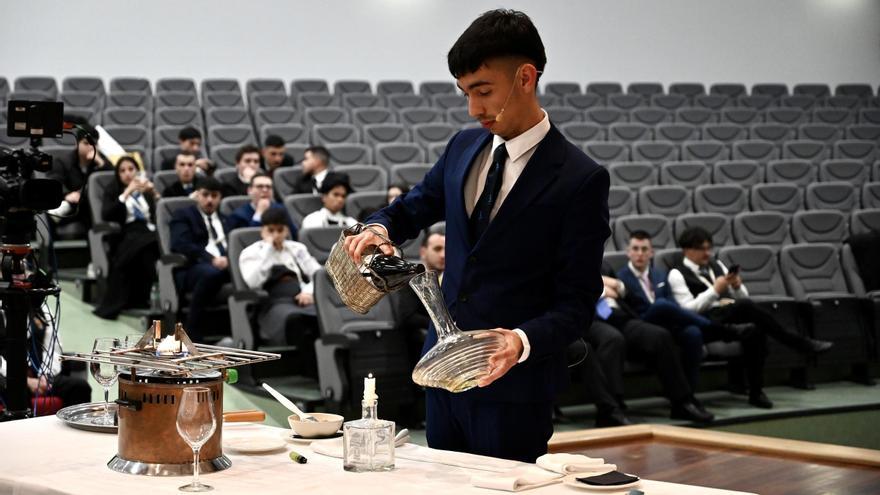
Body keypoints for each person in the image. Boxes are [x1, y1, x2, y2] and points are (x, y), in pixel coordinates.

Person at [344, 9, 609, 462]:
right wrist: (378, 227)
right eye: (465, 93)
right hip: (441, 372)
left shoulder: (580, 179)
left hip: (512, 386)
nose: (473, 108)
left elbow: (577, 302)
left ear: (526, 77)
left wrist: (520, 341)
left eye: (484, 91)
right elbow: (413, 207)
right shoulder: (463, 146)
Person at [667, 227, 833, 409]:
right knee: (745, 308)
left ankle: (756, 392)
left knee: (756, 330)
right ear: (687, 250)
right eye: (702, 249)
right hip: (703, 324)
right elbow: (688, 311)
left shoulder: (717, 266)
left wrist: (737, 287)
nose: (707, 253)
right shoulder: (676, 274)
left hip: (727, 316)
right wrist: (714, 291)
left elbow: (744, 299)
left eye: (709, 248)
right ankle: (800, 344)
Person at [588, 270, 715, 423]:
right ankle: (610, 410)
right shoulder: (565, 264)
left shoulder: (604, 267)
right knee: (613, 339)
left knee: (660, 336)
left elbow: (636, 302)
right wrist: (598, 291)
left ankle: (682, 402)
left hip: (622, 318)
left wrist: (619, 286)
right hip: (590, 319)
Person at [238, 207, 322, 348]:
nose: (276, 235)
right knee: (297, 320)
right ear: (262, 231)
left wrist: (308, 292)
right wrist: (269, 249)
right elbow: (253, 283)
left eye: (280, 230)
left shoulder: (297, 249)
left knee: (322, 317)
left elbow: (318, 275)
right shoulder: (251, 252)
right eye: (271, 230)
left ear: (287, 230)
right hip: (273, 305)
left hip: (301, 300)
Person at [93, 156, 160, 319]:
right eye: (123, 171)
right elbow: (107, 214)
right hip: (126, 234)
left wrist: (155, 194)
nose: (128, 174)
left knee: (149, 247)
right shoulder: (114, 190)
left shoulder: (145, 191)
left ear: (137, 171)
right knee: (146, 248)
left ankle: (140, 299)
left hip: (148, 231)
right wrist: (127, 193)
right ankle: (140, 300)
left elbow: (159, 215)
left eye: (131, 169)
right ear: (118, 174)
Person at [0, 301, 91, 415]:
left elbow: (53, 349)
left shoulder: (42, 309)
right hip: (8, 377)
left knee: (80, 387)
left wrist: (46, 375)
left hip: (41, 373)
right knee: (17, 391)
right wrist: (24, 380)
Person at [170, 177, 230, 342]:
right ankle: (191, 331)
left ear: (220, 198)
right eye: (205, 195)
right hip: (195, 266)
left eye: (214, 195)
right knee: (211, 274)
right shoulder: (184, 215)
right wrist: (211, 259)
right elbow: (180, 244)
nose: (210, 200)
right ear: (197, 195)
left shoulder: (226, 219)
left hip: (227, 265)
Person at [47, 123, 112, 239]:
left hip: (91, 206)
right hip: (72, 205)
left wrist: (100, 163)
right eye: (86, 144)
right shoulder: (63, 161)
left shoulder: (101, 161)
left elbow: (111, 178)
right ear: (77, 143)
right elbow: (54, 181)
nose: (91, 147)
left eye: (94, 144)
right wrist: (66, 194)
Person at [227, 172, 298, 236]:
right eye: (259, 186)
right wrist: (259, 214)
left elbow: (294, 235)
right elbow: (249, 240)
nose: (265, 190)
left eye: (268, 187)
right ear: (249, 190)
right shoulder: (239, 215)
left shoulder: (281, 210)